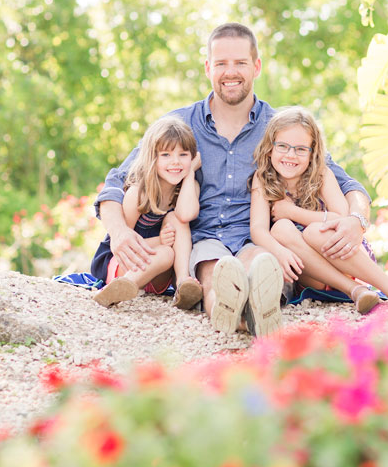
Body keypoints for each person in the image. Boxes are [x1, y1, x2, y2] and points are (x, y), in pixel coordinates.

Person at [95, 22, 372, 336]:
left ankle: (261, 309)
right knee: (216, 275)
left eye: (240, 62)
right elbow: (117, 180)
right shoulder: (178, 125)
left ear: (256, 67)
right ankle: (231, 318)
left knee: (261, 265)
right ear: (208, 68)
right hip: (202, 241)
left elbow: (346, 183)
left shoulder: (279, 129)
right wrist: (117, 231)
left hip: (257, 237)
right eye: (221, 63)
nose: (231, 72)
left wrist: (357, 219)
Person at [250, 107, 388, 314]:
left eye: (300, 149)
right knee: (280, 229)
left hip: (348, 258)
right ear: (270, 148)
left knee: (313, 231)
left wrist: (291, 212)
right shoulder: (262, 178)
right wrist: (279, 251)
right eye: (283, 146)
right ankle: (356, 291)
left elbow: (341, 218)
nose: (291, 155)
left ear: (313, 152)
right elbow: (258, 229)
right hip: (313, 275)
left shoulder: (322, 175)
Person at [89, 116, 203, 308]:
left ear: (192, 157)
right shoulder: (138, 193)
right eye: (166, 155)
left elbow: (186, 215)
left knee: (176, 219)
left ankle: (184, 281)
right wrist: (160, 240)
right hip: (122, 264)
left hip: (157, 274)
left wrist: (190, 173)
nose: (175, 162)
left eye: (183, 155)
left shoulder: (188, 187)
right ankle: (121, 287)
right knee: (166, 252)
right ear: (152, 157)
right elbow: (121, 245)